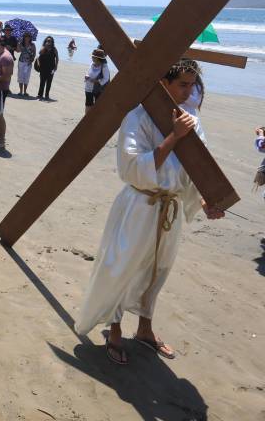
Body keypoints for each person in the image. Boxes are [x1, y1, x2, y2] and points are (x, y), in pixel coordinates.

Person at [75, 59, 224, 365]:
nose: (190, 90)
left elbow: (196, 165)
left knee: (158, 270)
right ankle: (114, 328)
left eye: (192, 84)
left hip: (169, 206)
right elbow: (131, 166)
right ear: (163, 84)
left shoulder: (191, 116)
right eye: (182, 83)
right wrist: (173, 137)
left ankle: (145, 327)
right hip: (139, 205)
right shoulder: (138, 116)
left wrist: (204, 201)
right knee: (122, 265)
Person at [84, 48, 110, 114]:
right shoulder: (92, 64)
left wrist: (97, 81)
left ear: (98, 58)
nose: (92, 57)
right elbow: (89, 72)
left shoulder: (104, 66)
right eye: (92, 56)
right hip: (88, 87)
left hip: (98, 89)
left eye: (93, 56)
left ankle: (94, 118)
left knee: (97, 105)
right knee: (88, 104)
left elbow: (106, 78)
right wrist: (86, 76)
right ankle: (86, 118)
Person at [36, 36, 58, 100]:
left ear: (52, 42)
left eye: (50, 41)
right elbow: (39, 53)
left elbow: (57, 58)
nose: (49, 42)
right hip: (43, 68)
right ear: (45, 41)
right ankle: (40, 95)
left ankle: (47, 95)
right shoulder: (43, 48)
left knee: (49, 82)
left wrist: (56, 66)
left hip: (51, 68)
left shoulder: (54, 49)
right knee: (42, 82)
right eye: (48, 41)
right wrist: (45, 47)